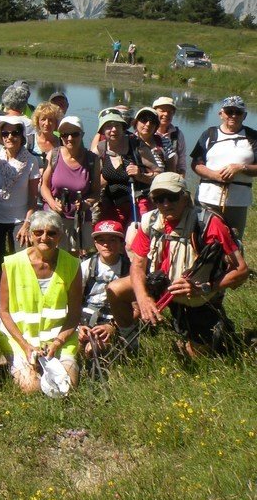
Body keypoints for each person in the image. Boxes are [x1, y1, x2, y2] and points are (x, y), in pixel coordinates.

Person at [108, 174, 248, 357]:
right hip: (161, 283)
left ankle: (219, 333)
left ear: (185, 197)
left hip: (195, 293)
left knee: (198, 355)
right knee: (115, 289)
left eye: (172, 197)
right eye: (159, 199)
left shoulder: (208, 223)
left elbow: (241, 270)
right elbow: (137, 265)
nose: (166, 204)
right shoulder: (149, 221)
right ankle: (130, 345)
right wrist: (142, 298)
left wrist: (204, 287)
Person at [0, 210, 81, 394]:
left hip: (58, 339)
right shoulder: (12, 264)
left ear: (60, 236)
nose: (44, 237)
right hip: (20, 339)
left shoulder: (73, 264)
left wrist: (57, 342)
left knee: (66, 387)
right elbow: (3, 311)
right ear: (30, 235)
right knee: (31, 388)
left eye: (51, 233)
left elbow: (75, 313)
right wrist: (25, 345)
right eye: (38, 232)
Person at [0, 116, 40, 297]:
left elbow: (33, 197)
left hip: (20, 219)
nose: (10, 137)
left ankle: (21, 295)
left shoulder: (31, 161)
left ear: (22, 136)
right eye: (5, 133)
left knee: (22, 259)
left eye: (15, 133)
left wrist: (27, 223)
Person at [190, 96, 257, 237]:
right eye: (229, 111)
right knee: (202, 238)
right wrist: (214, 175)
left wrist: (241, 168)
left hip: (237, 202)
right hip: (207, 199)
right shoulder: (209, 134)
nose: (233, 115)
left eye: (238, 112)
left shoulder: (253, 136)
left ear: (244, 115)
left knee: (233, 241)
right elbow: (196, 163)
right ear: (221, 114)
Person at [40, 116, 99, 256]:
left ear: (82, 135)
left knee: (73, 258)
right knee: (50, 255)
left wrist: (86, 203)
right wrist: (52, 203)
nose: (69, 138)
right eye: (65, 134)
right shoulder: (54, 155)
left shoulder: (92, 160)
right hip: (54, 216)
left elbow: (96, 192)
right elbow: (44, 186)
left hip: (79, 219)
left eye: (74, 134)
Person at [77, 220, 129, 358]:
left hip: (113, 318)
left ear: (121, 243)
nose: (106, 244)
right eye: (101, 240)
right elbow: (74, 300)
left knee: (94, 349)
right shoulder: (86, 266)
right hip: (85, 317)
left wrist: (112, 326)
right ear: (95, 244)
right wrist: (79, 326)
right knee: (75, 348)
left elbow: (136, 307)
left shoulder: (129, 269)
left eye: (112, 240)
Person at [95, 110, 138, 227]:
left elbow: (157, 173)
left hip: (133, 205)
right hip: (109, 204)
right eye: (109, 126)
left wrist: (140, 175)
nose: (114, 129)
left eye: (117, 125)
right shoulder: (102, 147)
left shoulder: (135, 145)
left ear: (123, 128)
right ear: (102, 130)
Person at [153, 96, 186, 176]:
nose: (166, 114)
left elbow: (182, 162)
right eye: (162, 111)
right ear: (154, 112)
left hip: (171, 178)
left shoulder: (177, 134)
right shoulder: (146, 132)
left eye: (170, 112)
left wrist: (181, 177)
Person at [28, 101, 62, 174]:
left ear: (56, 122)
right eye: (43, 119)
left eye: (50, 120)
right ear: (37, 121)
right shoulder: (29, 142)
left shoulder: (62, 143)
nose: (46, 123)